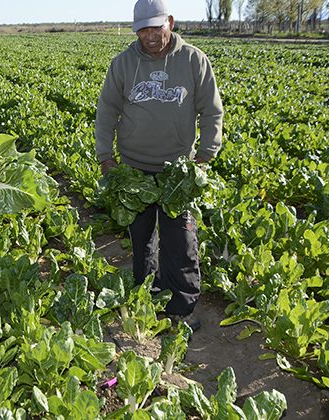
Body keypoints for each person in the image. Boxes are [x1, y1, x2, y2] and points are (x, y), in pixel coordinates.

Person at [94, 0, 224, 331]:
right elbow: (107, 110)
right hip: (134, 169)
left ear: (171, 22)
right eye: (143, 29)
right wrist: (105, 157)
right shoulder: (123, 64)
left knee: (180, 241)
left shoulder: (193, 60)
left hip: (177, 172)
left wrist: (206, 155)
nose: (150, 35)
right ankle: (148, 300)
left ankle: (181, 309)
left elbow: (211, 110)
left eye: (156, 27)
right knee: (141, 239)